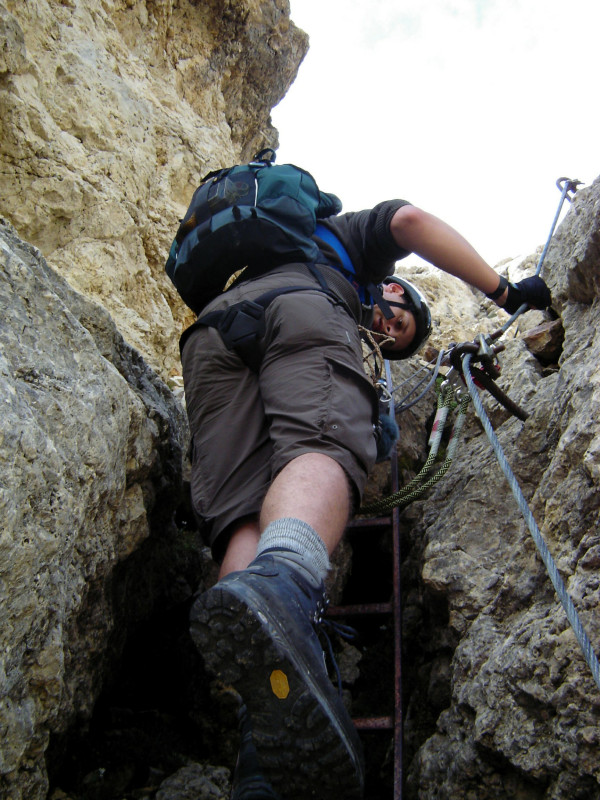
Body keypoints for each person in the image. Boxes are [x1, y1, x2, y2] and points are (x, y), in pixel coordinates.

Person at [181, 199, 551, 800]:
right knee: (324, 442)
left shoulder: (279, 246)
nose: (386, 331)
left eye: (396, 339)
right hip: (299, 310)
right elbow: (412, 223)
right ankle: (286, 588)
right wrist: (506, 292)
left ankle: (259, 741)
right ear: (395, 291)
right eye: (397, 324)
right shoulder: (351, 243)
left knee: (240, 515)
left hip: (209, 337)